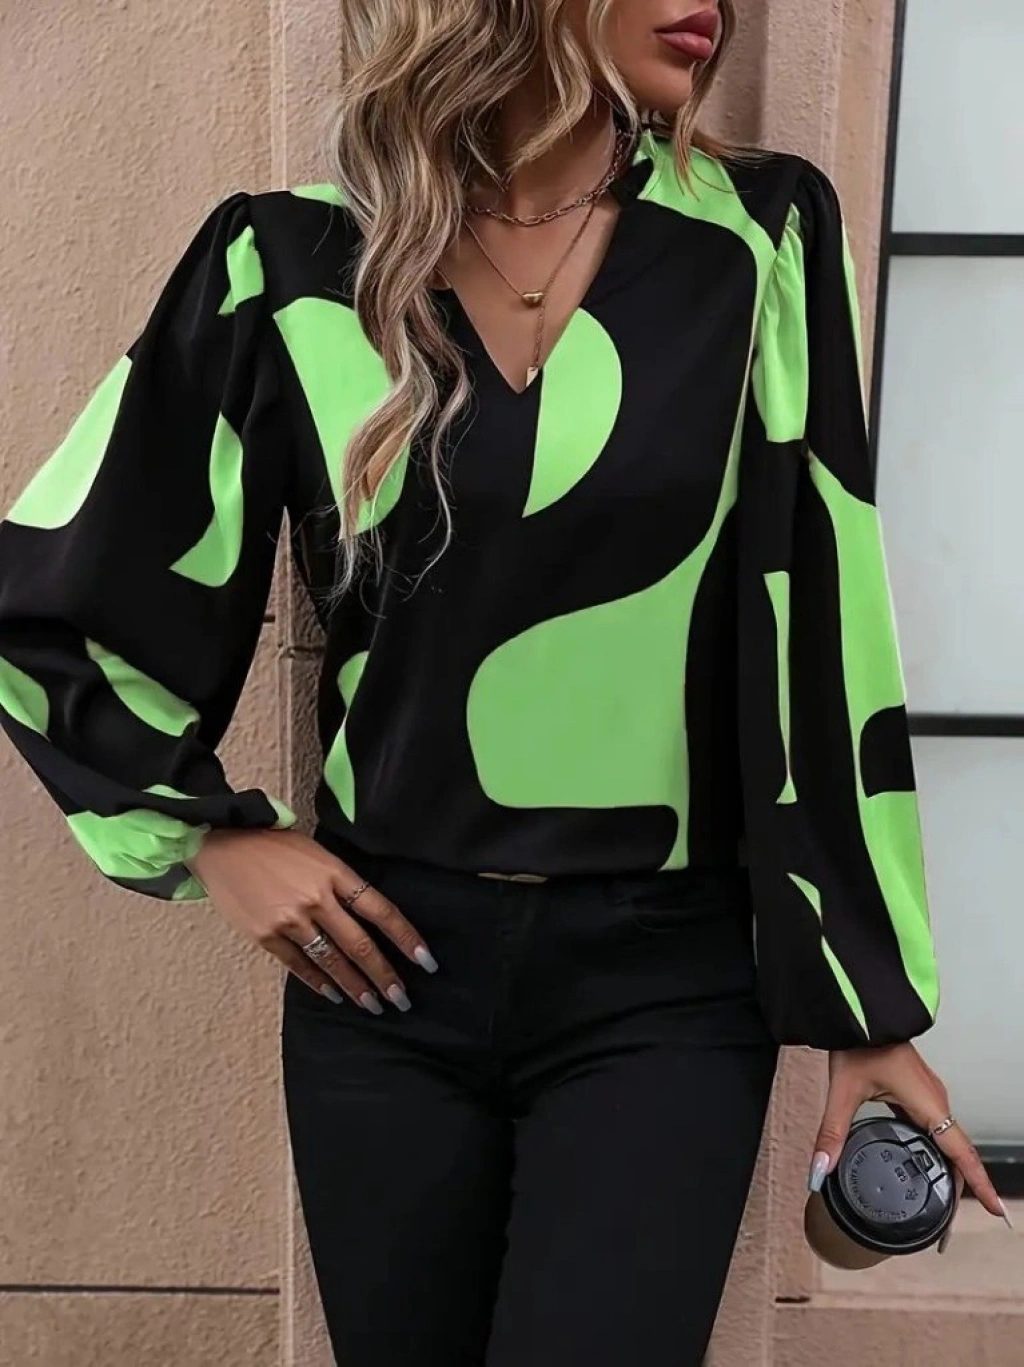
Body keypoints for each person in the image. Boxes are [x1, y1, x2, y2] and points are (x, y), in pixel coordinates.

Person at [0, 2, 1009, 1364]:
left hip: (665, 980)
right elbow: (57, 597)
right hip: (382, 978)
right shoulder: (286, 265)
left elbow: (819, 615)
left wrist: (863, 995)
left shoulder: (759, 237)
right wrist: (213, 834)